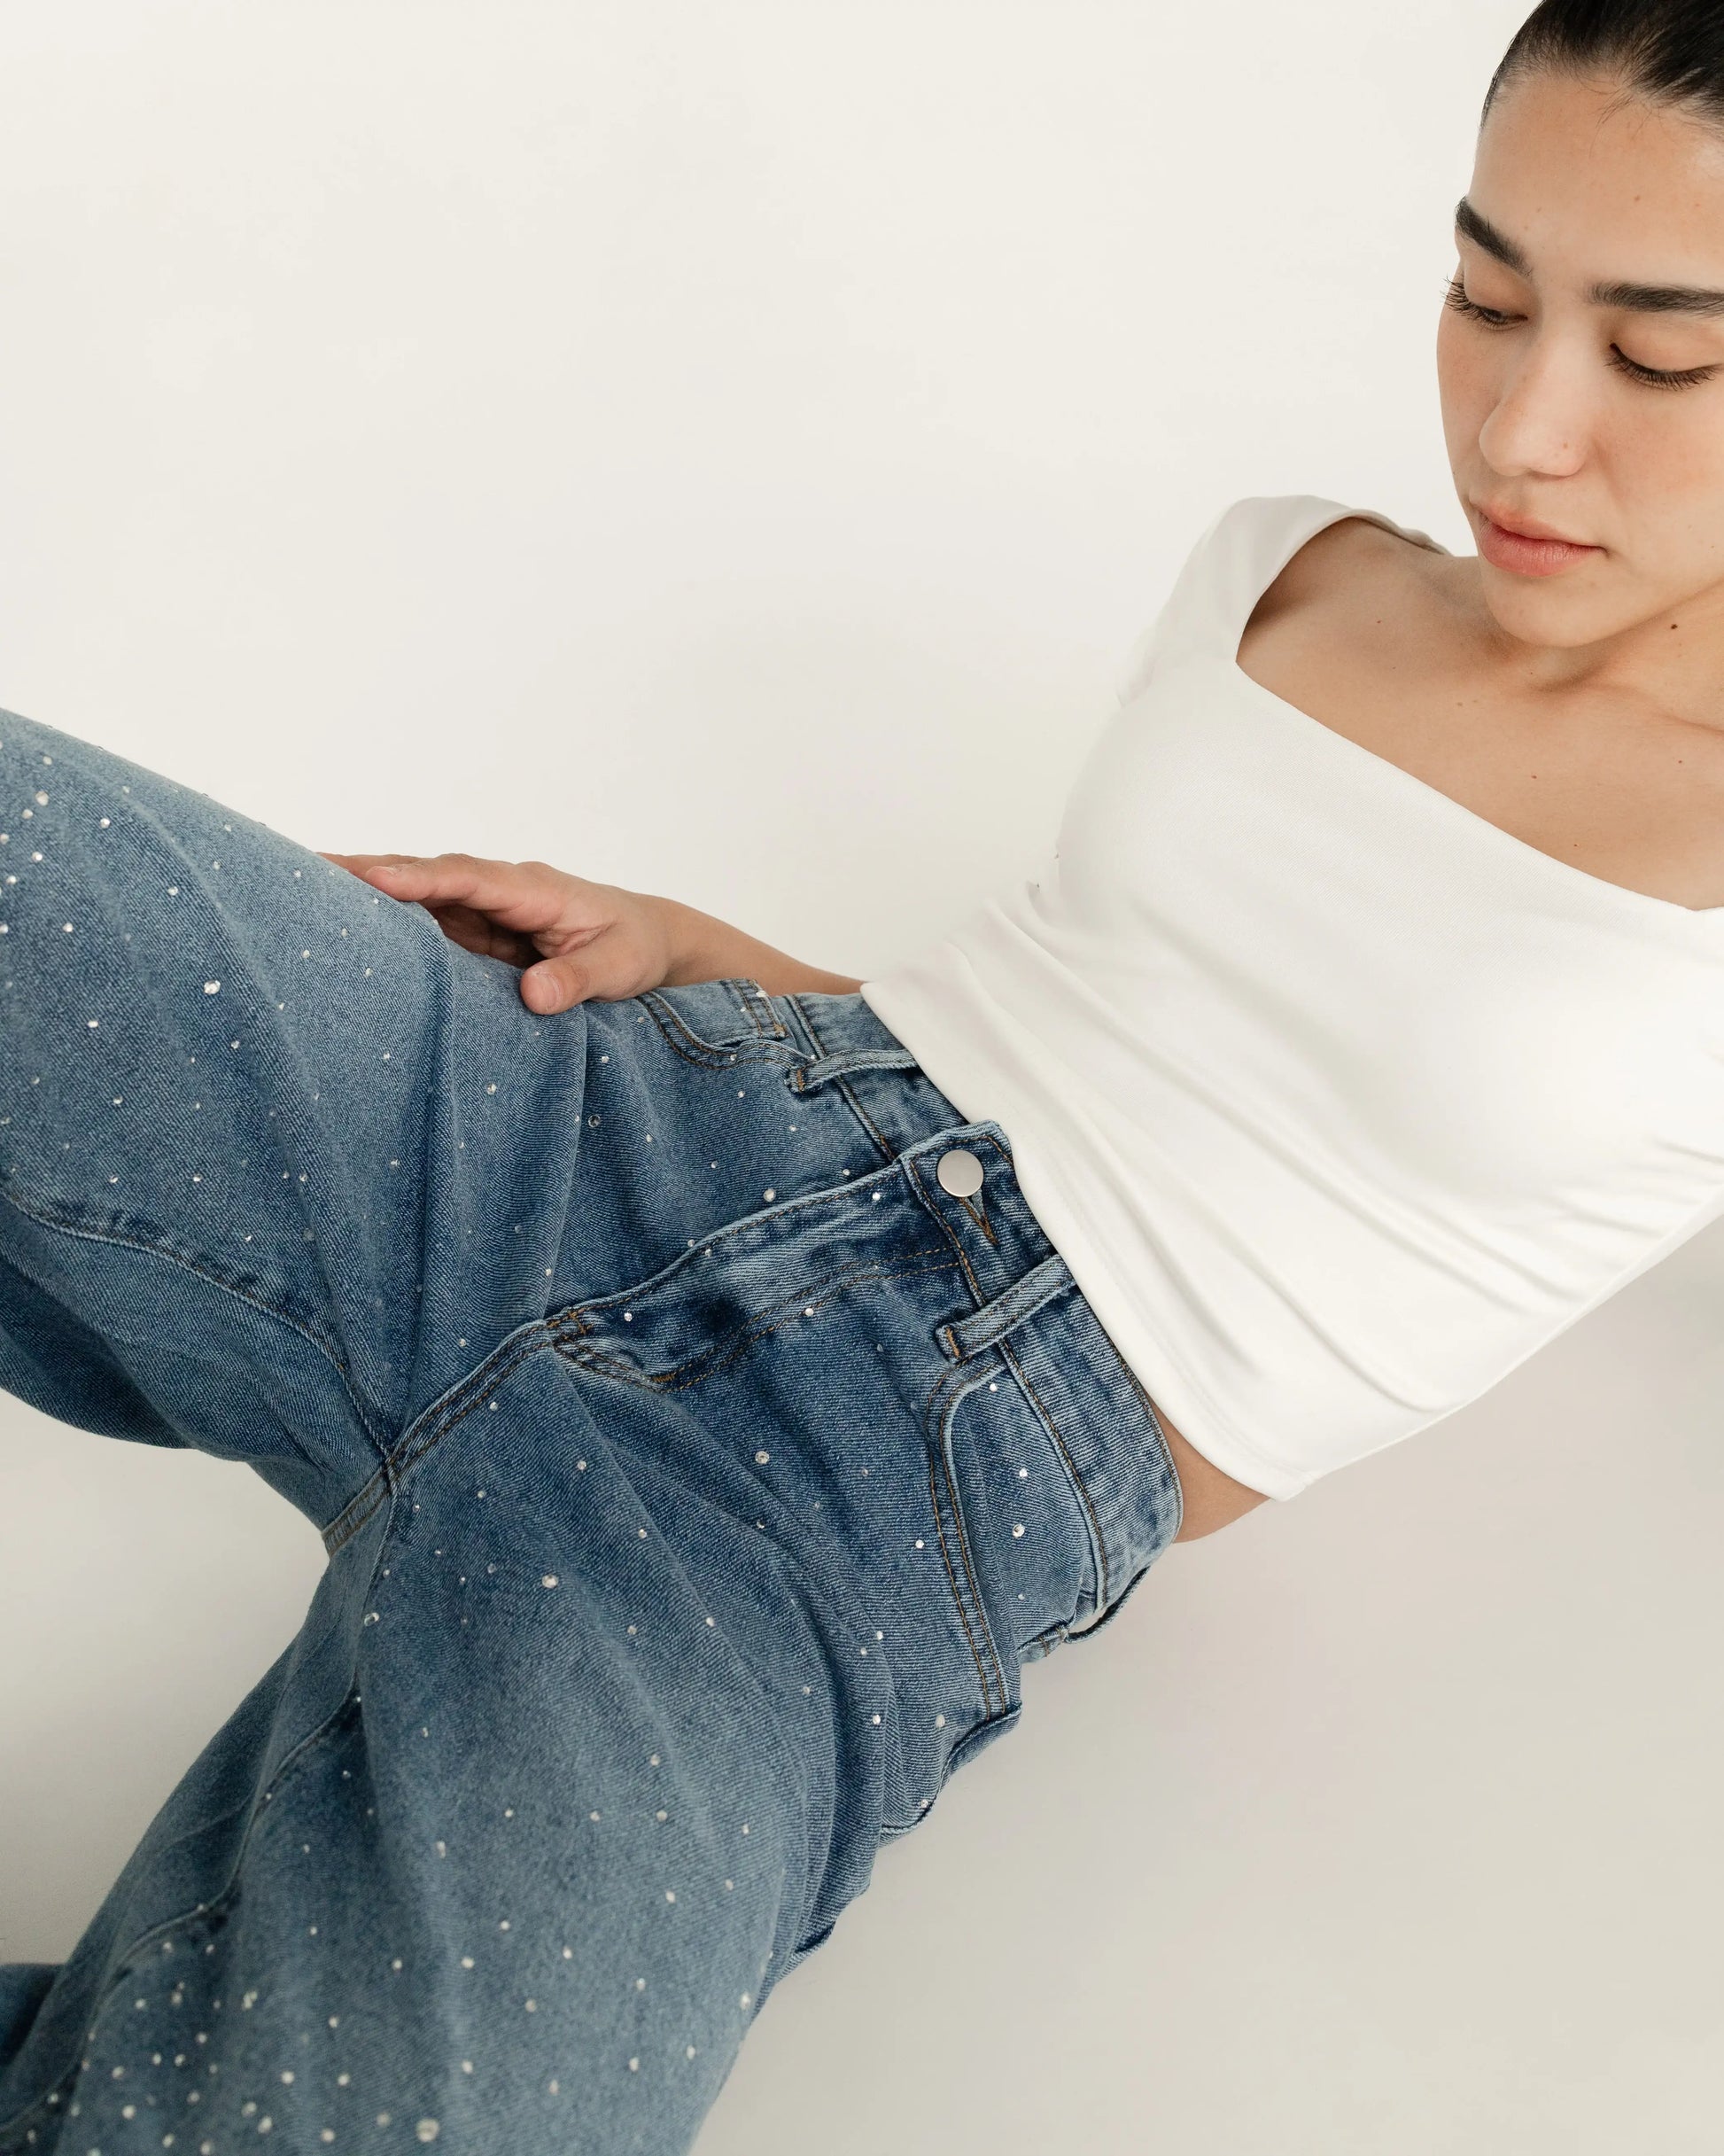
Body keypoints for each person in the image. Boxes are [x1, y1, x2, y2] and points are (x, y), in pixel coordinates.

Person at [4, 0, 1724, 2147]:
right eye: (1484, 294)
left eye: (1664, 355)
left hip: (837, 1546)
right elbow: (1082, 1013)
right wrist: (702, 952)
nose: (1522, 427)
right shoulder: (1294, 570)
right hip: (593, 1124)